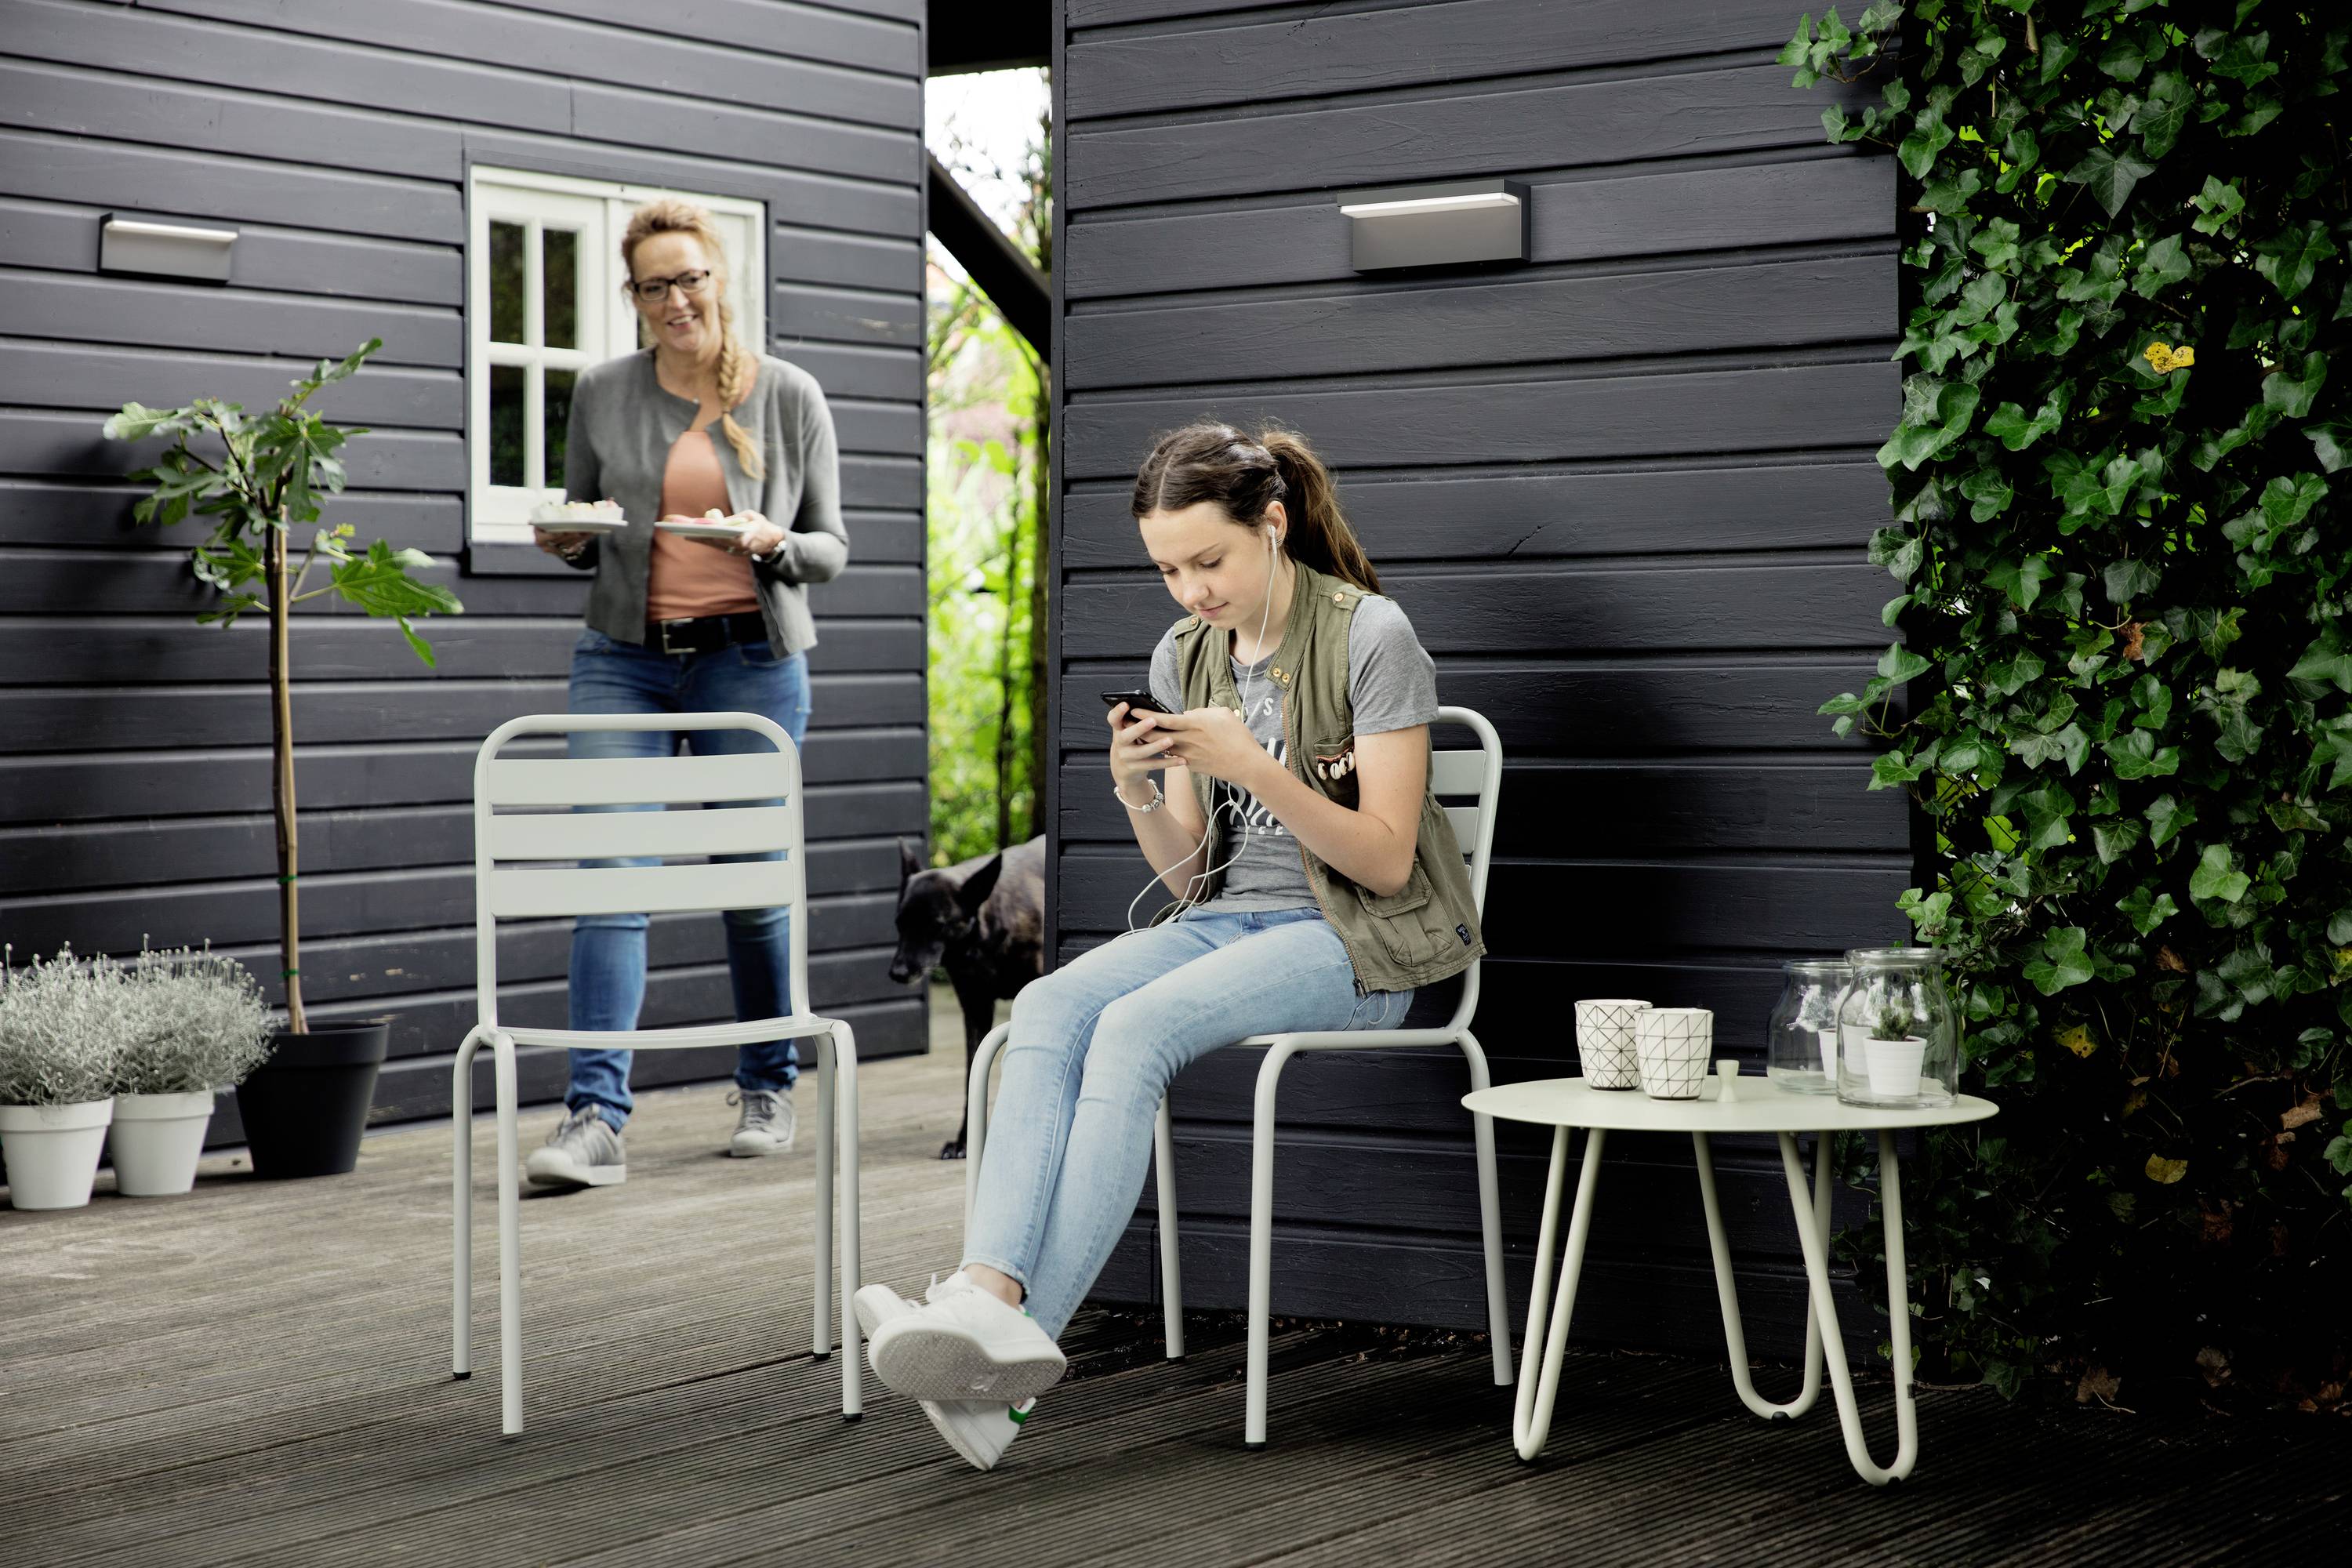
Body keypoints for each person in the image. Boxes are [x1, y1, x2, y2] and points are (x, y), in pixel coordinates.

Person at [853, 421, 1486, 1468]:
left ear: (1272, 526)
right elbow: (1192, 876)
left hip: (1358, 944)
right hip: (1225, 923)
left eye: (1209, 562)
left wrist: (1257, 762)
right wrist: (1138, 785)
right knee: (1051, 1007)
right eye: (1167, 569)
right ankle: (987, 1299)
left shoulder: (1372, 636)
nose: (1191, 591)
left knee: (1135, 1028)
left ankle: (1004, 1347)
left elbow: (1382, 861)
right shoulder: (1187, 655)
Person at [522, 198, 848, 1189]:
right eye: (654, 285)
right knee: (612, 877)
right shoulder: (599, 392)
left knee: (752, 886)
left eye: (690, 278)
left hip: (749, 660)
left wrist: (773, 543)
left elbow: (831, 547)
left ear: (721, 279)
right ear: (633, 299)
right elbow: (584, 515)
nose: (676, 299)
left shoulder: (788, 393)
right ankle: (594, 1116)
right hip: (624, 657)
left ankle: (768, 1079)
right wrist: (568, 534)